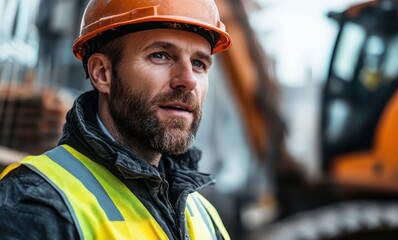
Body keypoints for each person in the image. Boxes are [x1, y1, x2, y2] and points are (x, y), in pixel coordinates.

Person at [0, 0, 232, 239]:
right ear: (102, 73)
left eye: (198, 63)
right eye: (160, 55)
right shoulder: (33, 204)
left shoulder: (202, 212)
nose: (188, 80)